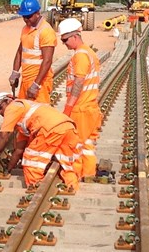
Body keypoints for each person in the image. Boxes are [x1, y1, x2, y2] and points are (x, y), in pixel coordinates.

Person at [0, 92, 81, 190]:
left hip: (50, 129)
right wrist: (8, 169)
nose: (1, 112)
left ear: (9, 100)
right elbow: (18, 151)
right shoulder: (25, 121)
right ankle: (72, 187)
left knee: (31, 160)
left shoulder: (13, 106)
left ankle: (35, 188)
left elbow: (3, 135)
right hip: (69, 127)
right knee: (66, 163)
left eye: (1, 107)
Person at [59, 18, 102, 179]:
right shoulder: (89, 53)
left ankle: (75, 175)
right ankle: (88, 174)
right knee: (87, 145)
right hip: (90, 108)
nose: (64, 44)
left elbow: (79, 82)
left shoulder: (81, 56)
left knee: (75, 145)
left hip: (81, 109)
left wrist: (68, 107)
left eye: (65, 40)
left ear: (75, 36)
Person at [9, 0, 57, 103]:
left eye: (28, 16)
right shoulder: (25, 29)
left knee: (38, 115)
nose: (26, 19)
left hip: (40, 82)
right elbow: (20, 52)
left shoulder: (46, 31)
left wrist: (36, 85)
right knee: (24, 113)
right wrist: (15, 72)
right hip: (26, 80)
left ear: (37, 13)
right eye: (24, 17)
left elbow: (47, 60)